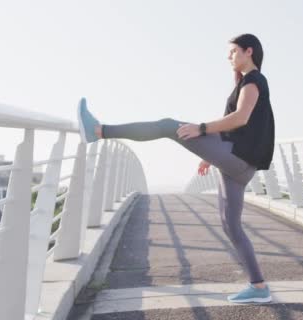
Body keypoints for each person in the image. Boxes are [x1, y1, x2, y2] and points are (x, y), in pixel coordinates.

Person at [77, 33, 275, 304]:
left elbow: (240, 118)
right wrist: (211, 155)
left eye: (232, 52)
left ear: (248, 51)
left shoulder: (254, 80)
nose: (228, 57)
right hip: (237, 162)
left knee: (169, 126)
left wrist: (201, 128)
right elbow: (240, 128)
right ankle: (259, 286)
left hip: (238, 161)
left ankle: (99, 131)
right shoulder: (245, 82)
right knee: (231, 226)